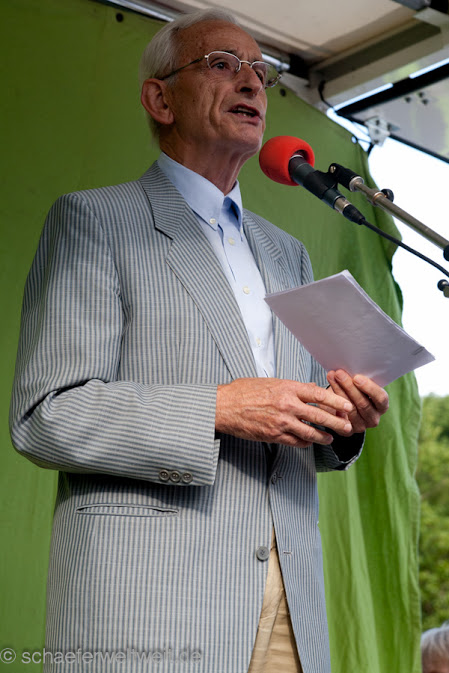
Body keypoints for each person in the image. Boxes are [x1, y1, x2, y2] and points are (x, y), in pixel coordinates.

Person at [9, 8, 389, 673]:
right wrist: (217, 406)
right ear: (160, 99)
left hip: (290, 605)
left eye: (261, 72)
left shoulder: (289, 253)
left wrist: (340, 422)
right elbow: (47, 415)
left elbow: (292, 424)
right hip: (152, 602)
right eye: (222, 65)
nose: (250, 83)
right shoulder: (95, 220)